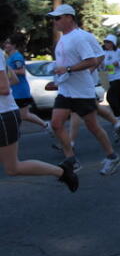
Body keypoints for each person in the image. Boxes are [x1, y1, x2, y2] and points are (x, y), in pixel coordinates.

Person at [0, 19, 78, 192]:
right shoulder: (5, 56)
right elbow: (12, 78)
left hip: (3, 116)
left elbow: (5, 87)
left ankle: (62, 172)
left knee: (13, 168)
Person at [48, 4, 120, 175]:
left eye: (57, 18)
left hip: (82, 91)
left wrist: (68, 70)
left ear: (69, 18)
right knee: (56, 124)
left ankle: (112, 156)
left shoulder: (80, 37)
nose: (54, 21)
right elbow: (63, 65)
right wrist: (57, 80)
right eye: (53, 18)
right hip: (66, 90)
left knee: (93, 127)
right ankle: (71, 160)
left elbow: (92, 60)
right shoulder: (62, 40)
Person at [69, 28, 120, 149]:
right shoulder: (74, 42)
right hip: (80, 79)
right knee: (92, 107)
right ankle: (116, 122)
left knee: (77, 111)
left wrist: (89, 71)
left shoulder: (88, 42)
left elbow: (98, 58)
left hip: (87, 79)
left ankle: (70, 143)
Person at [3, 33, 52, 134]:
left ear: (14, 45)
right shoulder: (9, 57)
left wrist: (6, 72)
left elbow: (21, 71)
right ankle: (14, 134)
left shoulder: (17, 57)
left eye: (8, 43)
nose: (5, 45)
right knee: (17, 114)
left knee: (23, 115)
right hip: (14, 90)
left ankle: (46, 125)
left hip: (20, 91)